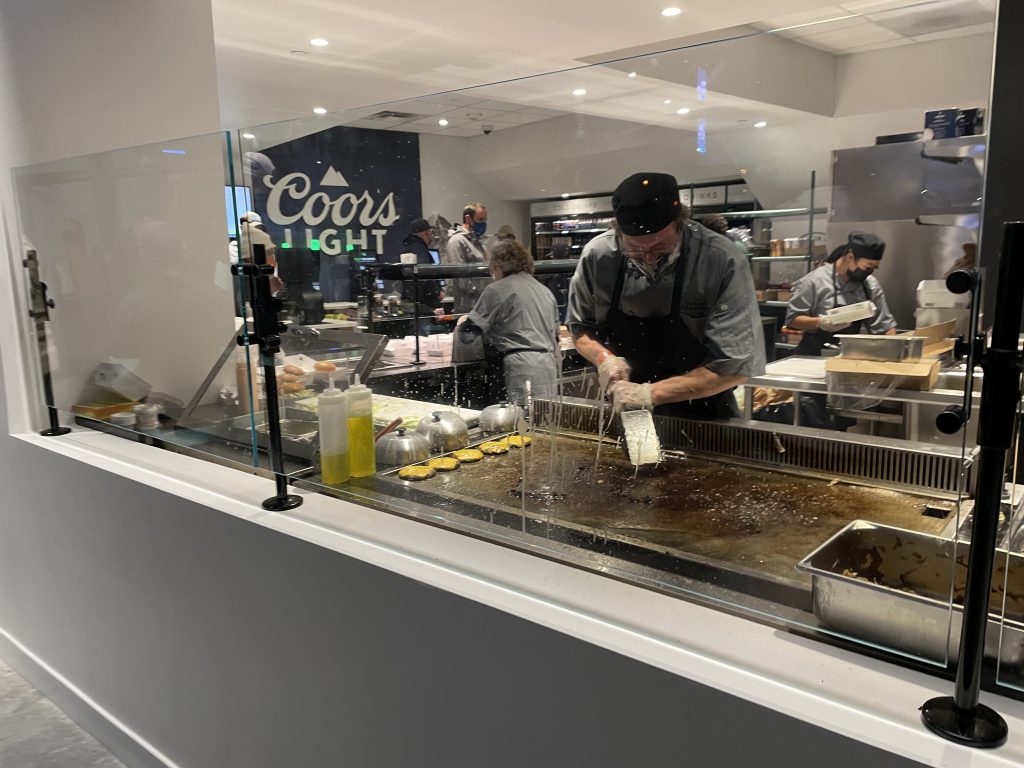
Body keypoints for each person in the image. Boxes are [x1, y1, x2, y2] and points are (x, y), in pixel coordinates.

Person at [567, 172, 765, 419]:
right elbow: (580, 329)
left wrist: (649, 394)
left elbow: (735, 366)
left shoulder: (720, 260)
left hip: (705, 409)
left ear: (680, 224)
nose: (649, 257)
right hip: (624, 406)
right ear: (617, 232)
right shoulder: (598, 256)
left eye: (660, 247)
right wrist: (605, 359)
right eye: (636, 250)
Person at [458, 239, 560, 407]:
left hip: (520, 369)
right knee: (544, 424)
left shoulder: (497, 290)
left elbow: (468, 334)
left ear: (498, 265)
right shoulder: (545, 291)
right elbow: (556, 337)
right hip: (548, 367)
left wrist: (462, 323)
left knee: (516, 426)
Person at [784, 232, 896, 356]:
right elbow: (792, 320)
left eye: (874, 268)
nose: (870, 272)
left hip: (849, 355)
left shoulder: (870, 285)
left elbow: (885, 327)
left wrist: (891, 352)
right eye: (868, 267)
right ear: (850, 258)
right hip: (813, 356)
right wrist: (820, 322)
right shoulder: (813, 281)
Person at [444, 201, 490, 312]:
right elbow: (460, 275)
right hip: (468, 307)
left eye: (485, 220)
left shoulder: (478, 243)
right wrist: (478, 293)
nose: (483, 224)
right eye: (480, 220)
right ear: (468, 219)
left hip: (482, 305)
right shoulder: (457, 241)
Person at [398, 217, 442, 311]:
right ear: (427, 232)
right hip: (423, 303)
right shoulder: (419, 248)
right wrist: (437, 292)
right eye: (430, 232)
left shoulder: (408, 247)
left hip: (411, 301)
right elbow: (424, 272)